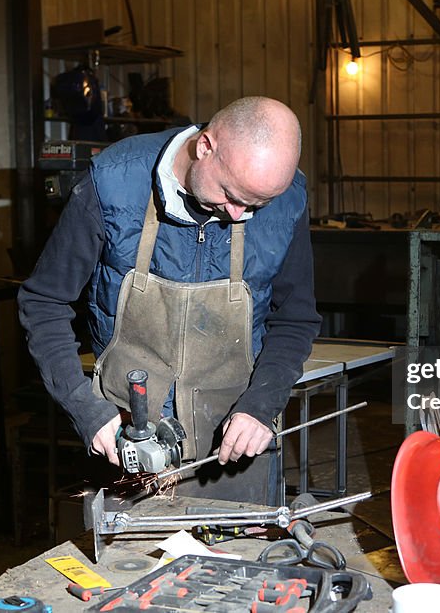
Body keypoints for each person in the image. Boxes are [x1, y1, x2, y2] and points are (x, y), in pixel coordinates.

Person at [17, 96, 321, 505]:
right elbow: (44, 302)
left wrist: (262, 405)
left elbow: (295, 320)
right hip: (127, 441)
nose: (238, 214)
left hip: (234, 444)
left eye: (257, 205)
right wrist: (86, 410)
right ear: (204, 146)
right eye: (231, 194)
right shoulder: (113, 183)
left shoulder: (287, 199)